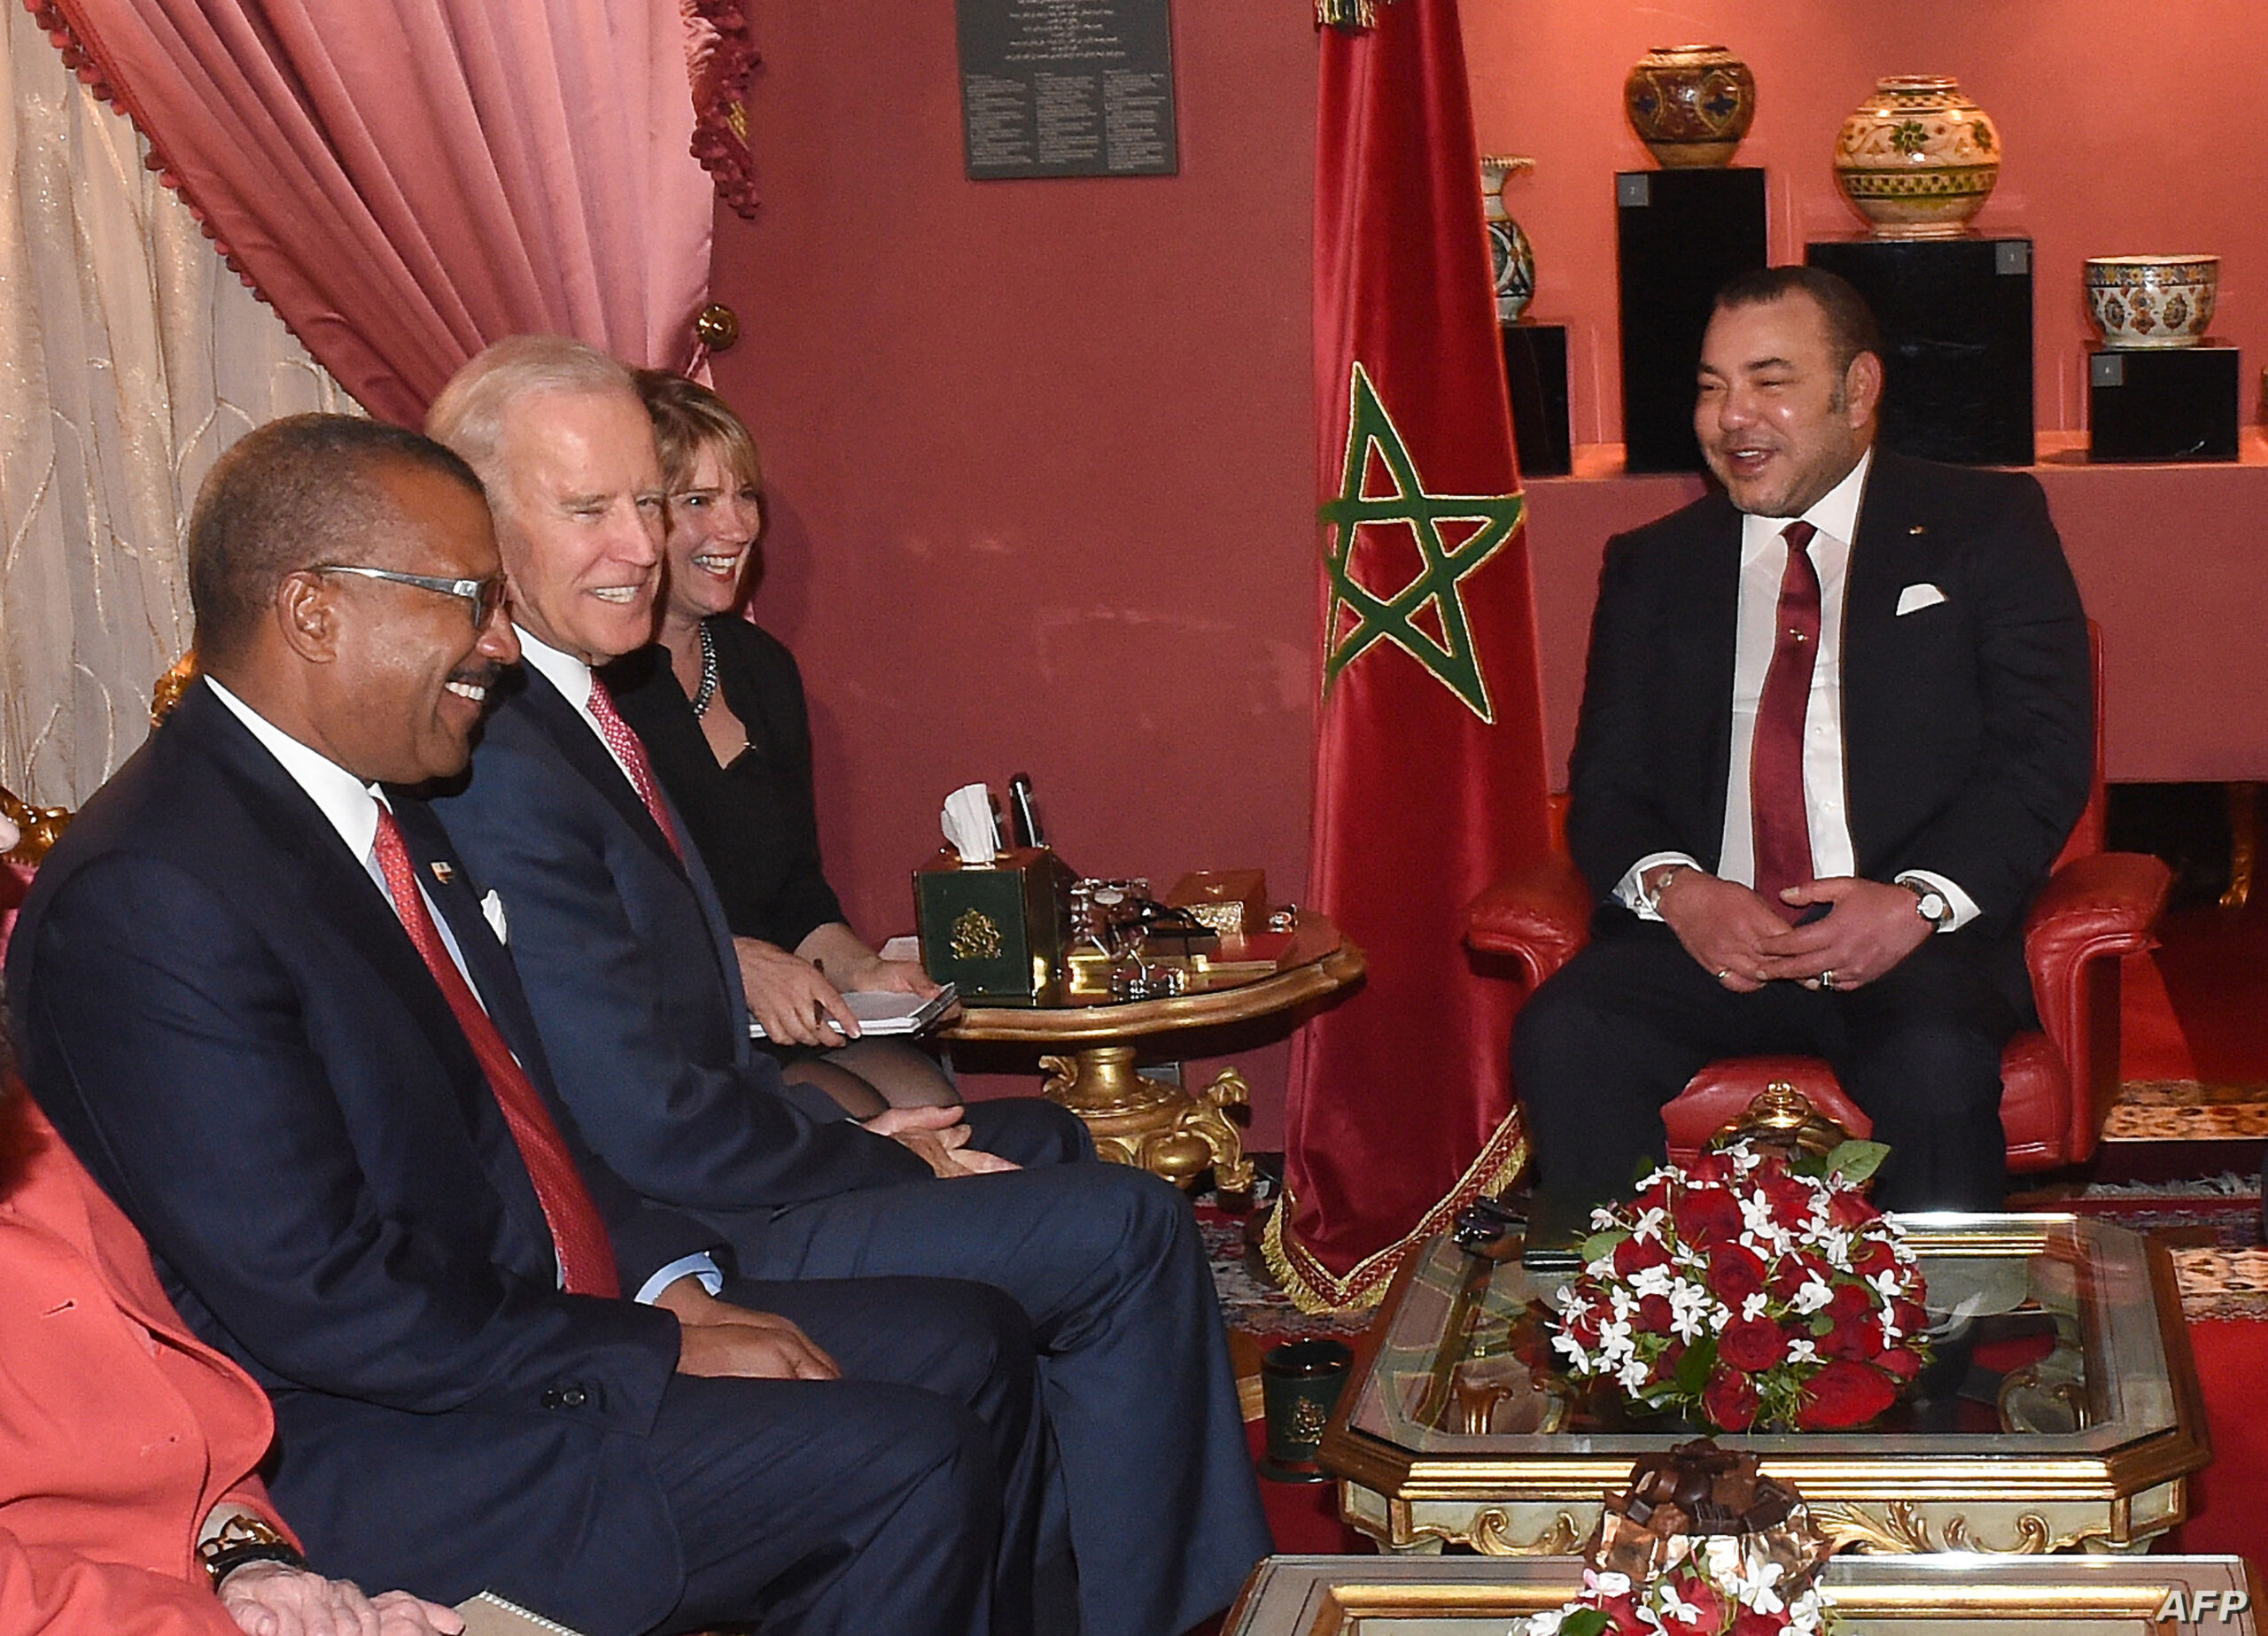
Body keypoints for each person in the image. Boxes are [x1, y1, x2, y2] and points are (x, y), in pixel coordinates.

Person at [6, 414, 1048, 1636]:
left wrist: (666, 1289)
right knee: (905, 1457)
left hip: (520, 1321)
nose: (501, 644)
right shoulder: (156, 890)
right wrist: (638, 1347)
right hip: (374, 1435)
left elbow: (531, 1121)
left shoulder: (389, 810)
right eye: (470, 599)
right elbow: (323, 1294)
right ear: (314, 610)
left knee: (971, 1337)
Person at [422, 337, 1272, 1636]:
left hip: (717, 1152)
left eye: (647, 501)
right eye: (590, 510)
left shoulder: (581, 706)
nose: (643, 544)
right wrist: (874, 1149)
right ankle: (1164, 1612)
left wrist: (857, 1112)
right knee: (1132, 1225)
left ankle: (1054, 1592)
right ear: (482, 526)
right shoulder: (504, 757)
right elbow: (639, 1115)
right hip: (685, 1219)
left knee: (1045, 1138)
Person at [1512, 266, 2093, 1220]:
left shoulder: (1983, 527)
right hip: (1713, 938)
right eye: (1711, 386)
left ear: (1857, 390)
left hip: (1910, 938)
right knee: (1568, 1033)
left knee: (1933, 1060)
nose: (1731, 417)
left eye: (1769, 381)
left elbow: (2041, 750)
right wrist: (1679, 891)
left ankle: (1944, 1315)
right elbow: (1606, 785)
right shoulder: (1654, 565)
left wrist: (1918, 901)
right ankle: (1625, 1304)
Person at [602, 369, 952, 1116]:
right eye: (699, 501)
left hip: (778, 1023)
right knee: (863, 1119)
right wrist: (728, 964)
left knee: (930, 1095)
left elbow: (797, 895)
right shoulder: (595, 690)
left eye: (745, 496)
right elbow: (604, 917)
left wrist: (865, 970)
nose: (736, 528)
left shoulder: (761, 668)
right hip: (668, 1035)